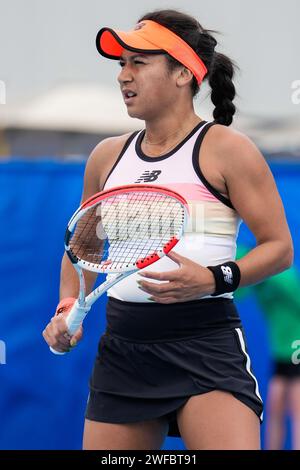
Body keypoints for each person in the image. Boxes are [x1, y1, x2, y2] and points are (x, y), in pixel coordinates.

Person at [42, 9, 293, 450]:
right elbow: (81, 247)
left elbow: (279, 249)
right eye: (121, 64)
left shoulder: (229, 150)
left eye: (138, 62)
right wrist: (67, 306)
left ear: (182, 73)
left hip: (205, 345)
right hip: (123, 350)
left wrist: (213, 278)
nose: (123, 75)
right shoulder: (106, 156)